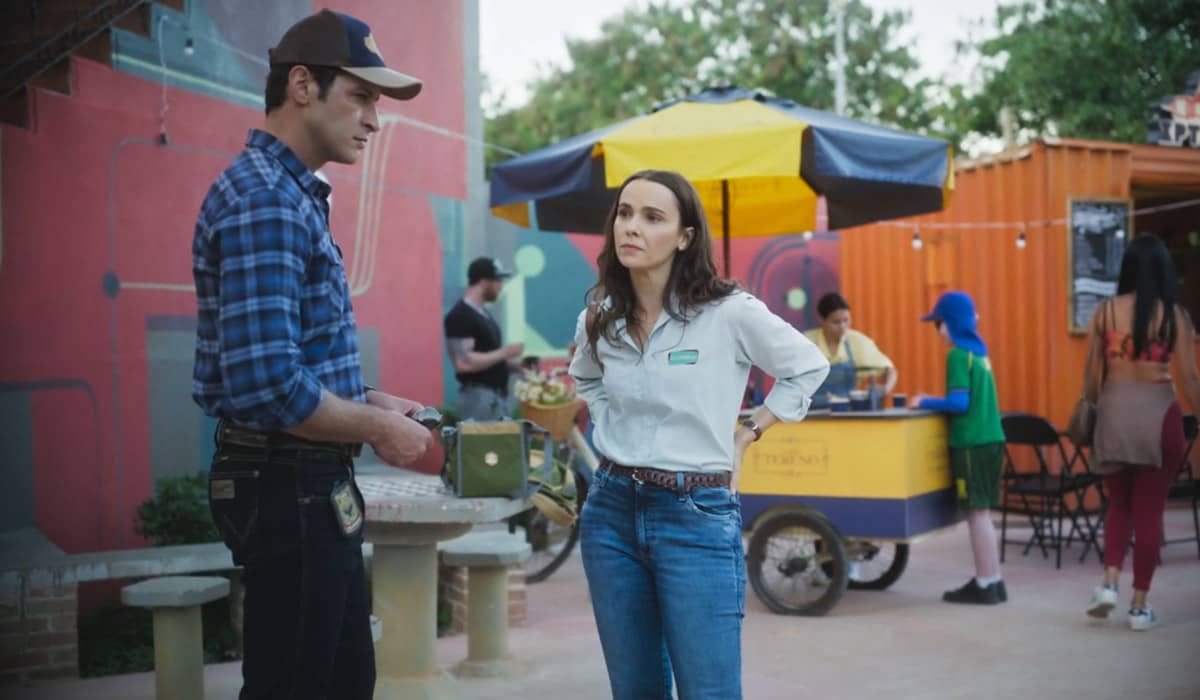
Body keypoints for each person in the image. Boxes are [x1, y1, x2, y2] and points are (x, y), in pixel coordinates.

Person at [191, 10, 434, 698]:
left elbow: (286, 361)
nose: (373, 120)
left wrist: (369, 400)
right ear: (302, 86)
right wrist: (381, 428)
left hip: (303, 483)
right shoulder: (268, 200)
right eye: (360, 97)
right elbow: (270, 388)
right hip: (286, 484)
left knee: (339, 680)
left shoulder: (285, 194)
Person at [568, 170, 829, 699]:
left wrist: (748, 432)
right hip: (610, 512)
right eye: (624, 212)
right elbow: (585, 377)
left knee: (708, 691)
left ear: (685, 237)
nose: (631, 228)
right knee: (635, 690)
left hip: (696, 515)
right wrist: (609, 422)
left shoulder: (728, 313)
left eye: (652, 217)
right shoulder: (601, 316)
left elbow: (807, 366)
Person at [1082, 234, 1200, 630]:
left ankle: (1109, 584)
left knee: (1119, 505)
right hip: (1159, 417)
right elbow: (1188, 377)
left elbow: (1091, 380)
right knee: (1150, 512)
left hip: (1115, 414)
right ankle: (1138, 606)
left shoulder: (1104, 313)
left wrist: (1099, 405)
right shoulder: (1175, 316)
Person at [912, 291, 1008, 605]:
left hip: (970, 443)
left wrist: (923, 401)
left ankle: (983, 583)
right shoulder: (979, 352)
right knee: (984, 513)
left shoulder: (956, 355)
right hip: (991, 438)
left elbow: (958, 402)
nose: (936, 330)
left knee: (976, 514)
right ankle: (994, 579)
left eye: (937, 323)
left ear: (948, 324)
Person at [444, 256, 525, 420]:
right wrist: (505, 353)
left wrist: (512, 367)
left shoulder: (484, 315)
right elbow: (463, 362)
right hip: (479, 399)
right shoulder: (460, 315)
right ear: (484, 281)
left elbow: (485, 358)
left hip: (495, 398)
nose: (501, 287)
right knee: (485, 445)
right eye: (498, 281)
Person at [805, 292, 898, 408]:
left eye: (846, 320)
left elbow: (890, 370)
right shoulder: (806, 343)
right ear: (821, 320)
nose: (843, 326)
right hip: (810, 417)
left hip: (848, 416)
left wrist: (885, 389)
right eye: (836, 322)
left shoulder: (858, 342)